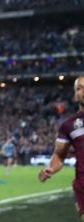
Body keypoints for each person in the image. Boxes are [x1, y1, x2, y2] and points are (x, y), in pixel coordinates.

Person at [39, 76, 84, 220]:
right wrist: (51, 168)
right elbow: (59, 155)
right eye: (79, 88)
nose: (83, 91)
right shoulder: (68, 125)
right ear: (75, 95)